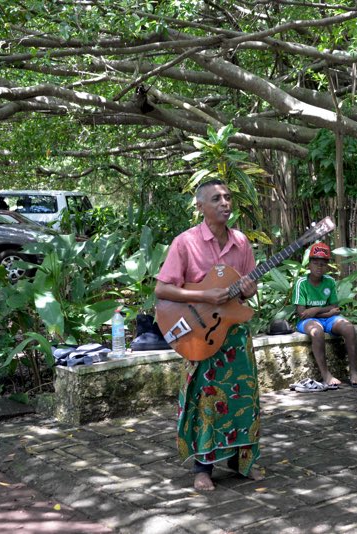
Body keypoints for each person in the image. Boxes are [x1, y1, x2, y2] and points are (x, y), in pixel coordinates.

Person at [155, 179, 263, 492]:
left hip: (234, 334)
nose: (225, 202)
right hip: (200, 335)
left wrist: (248, 288)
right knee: (204, 400)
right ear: (201, 206)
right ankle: (203, 468)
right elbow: (162, 288)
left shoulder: (241, 242)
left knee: (243, 397)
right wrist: (205, 297)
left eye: (228, 197)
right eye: (216, 198)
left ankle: (241, 461)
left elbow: (249, 287)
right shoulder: (185, 242)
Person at [292, 242, 357, 388]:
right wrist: (323, 312)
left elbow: (335, 308)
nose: (319, 267)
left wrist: (316, 310)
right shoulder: (301, 283)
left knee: (349, 328)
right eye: (316, 263)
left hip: (327, 318)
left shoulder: (329, 281)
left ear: (327, 266)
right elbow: (302, 313)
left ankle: (354, 372)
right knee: (316, 331)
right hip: (308, 321)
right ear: (309, 265)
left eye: (323, 264)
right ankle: (326, 375)